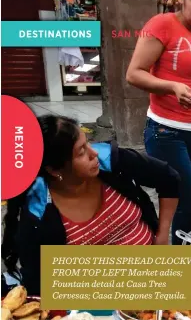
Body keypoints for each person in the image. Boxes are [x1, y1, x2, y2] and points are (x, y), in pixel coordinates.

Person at [1, 115, 180, 296]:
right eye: (81, 152)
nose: (93, 153)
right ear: (54, 170)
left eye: (88, 143)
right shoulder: (37, 215)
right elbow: (37, 284)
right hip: (96, 300)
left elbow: (168, 178)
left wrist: (162, 235)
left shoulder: (110, 162)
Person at [126, 0, 191, 244]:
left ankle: (176, 256)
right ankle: (172, 251)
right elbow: (133, 74)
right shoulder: (161, 25)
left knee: (188, 203)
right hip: (166, 131)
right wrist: (172, 87)